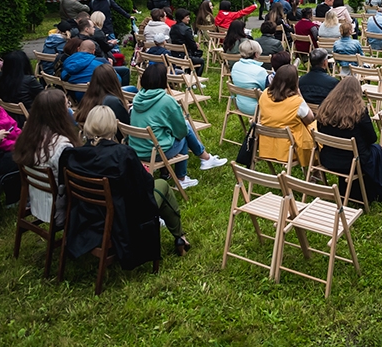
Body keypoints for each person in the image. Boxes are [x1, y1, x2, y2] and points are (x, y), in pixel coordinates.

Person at [64, 105, 191, 262]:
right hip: (121, 219)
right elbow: (143, 189)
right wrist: (144, 174)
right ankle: (180, 237)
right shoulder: (122, 154)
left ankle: (179, 236)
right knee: (161, 186)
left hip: (87, 216)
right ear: (112, 126)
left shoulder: (73, 155)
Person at [130, 63, 225, 189]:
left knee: (182, 131)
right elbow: (181, 131)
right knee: (184, 133)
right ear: (164, 80)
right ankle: (184, 176)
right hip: (155, 152)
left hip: (135, 150)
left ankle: (205, 159)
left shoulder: (137, 98)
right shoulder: (166, 100)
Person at [12, 89, 81, 229]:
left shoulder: (28, 135)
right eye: (67, 105)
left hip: (37, 199)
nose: (70, 108)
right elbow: (74, 181)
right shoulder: (61, 146)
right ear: (59, 113)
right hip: (58, 207)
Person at [315, 76, 382, 202]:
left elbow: (320, 130)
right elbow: (372, 138)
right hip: (352, 162)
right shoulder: (359, 112)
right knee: (376, 149)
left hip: (328, 158)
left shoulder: (325, 108)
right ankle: (379, 191)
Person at [257, 65, 317, 168]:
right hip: (291, 147)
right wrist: (300, 95)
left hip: (267, 145)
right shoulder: (296, 102)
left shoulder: (265, 94)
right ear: (295, 82)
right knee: (316, 126)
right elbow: (310, 119)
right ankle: (315, 169)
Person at [231, 40, 269, 115]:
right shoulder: (260, 71)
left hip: (240, 105)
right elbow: (267, 90)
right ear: (256, 54)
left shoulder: (235, 66)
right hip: (257, 108)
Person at [169, 8, 205, 75]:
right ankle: (196, 80)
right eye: (187, 17)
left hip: (174, 56)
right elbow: (192, 46)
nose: (189, 19)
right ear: (182, 18)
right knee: (201, 61)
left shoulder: (172, 28)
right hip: (185, 57)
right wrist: (195, 45)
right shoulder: (187, 30)